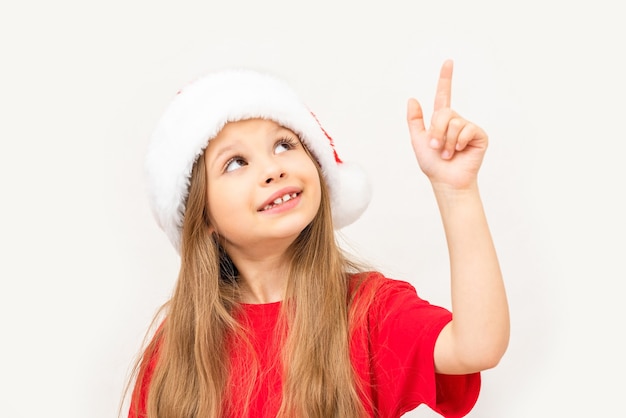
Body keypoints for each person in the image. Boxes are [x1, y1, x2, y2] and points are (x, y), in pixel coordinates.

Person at [125, 60, 509, 418]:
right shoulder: (176, 350)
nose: (273, 168)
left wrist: (457, 193)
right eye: (236, 162)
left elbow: (477, 345)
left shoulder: (368, 312)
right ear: (203, 216)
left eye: (284, 144)